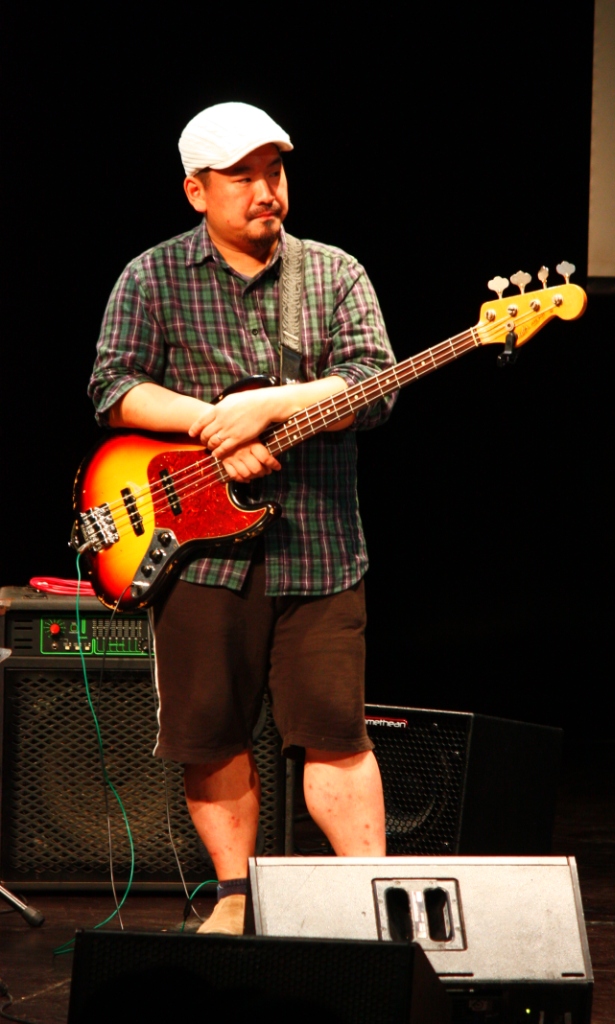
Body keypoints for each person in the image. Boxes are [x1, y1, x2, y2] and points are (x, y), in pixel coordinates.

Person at [88, 102, 397, 934]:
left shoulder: (333, 273)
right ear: (196, 190)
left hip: (319, 549)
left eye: (275, 171)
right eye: (242, 177)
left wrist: (269, 405)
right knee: (210, 733)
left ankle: (372, 902)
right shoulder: (151, 277)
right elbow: (113, 387)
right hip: (197, 549)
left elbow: (373, 387)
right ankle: (233, 897)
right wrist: (211, 427)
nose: (266, 191)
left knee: (336, 730)